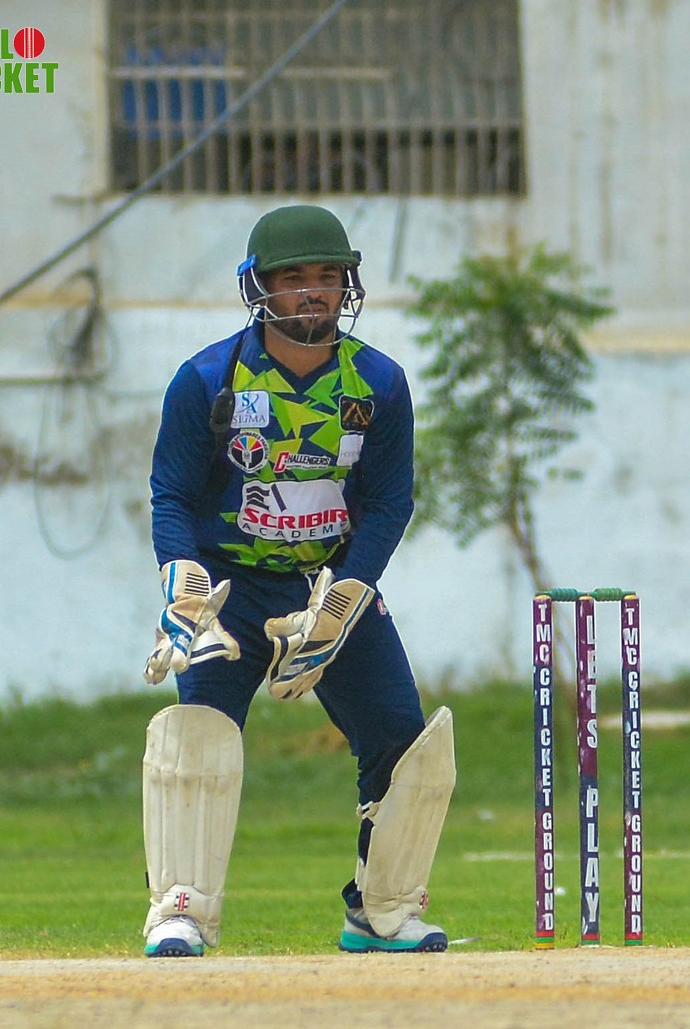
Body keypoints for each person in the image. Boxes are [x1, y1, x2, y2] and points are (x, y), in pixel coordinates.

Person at [140, 204, 455, 958]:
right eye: (293, 277)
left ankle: (382, 910)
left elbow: (390, 502)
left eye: (326, 275)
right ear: (259, 286)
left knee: (402, 738)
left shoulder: (377, 382)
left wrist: (347, 597)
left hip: (326, 585)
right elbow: (171, 494)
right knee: (200, 732)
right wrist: (184, 585)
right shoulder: (208, 379)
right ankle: (181, 909)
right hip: (229, 590)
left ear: (347, 285)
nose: (312, 291)